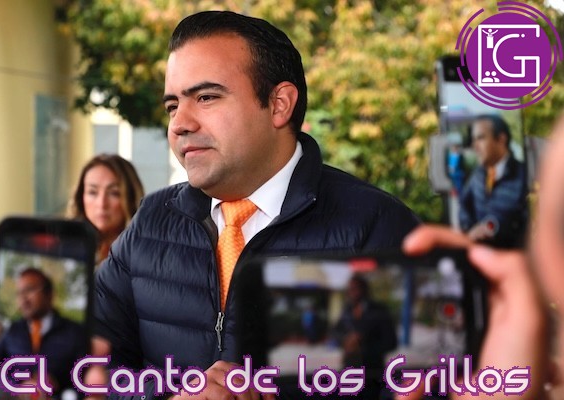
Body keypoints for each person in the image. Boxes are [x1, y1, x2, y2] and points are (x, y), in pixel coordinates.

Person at [92, 10, 419, 399]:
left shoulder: (378, 228)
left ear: (279, 104)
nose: (180, 123)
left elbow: (430, 385)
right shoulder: (152, 221)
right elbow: (87, 365)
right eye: (172, 106)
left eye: (206, 97)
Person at [0, 268, 86, 397]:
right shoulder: (11, 331)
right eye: (19, 293)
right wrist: (16, 386)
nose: (23, 299)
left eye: (29, 290)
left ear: (49, 294)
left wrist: (57, 383)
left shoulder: (75, 333)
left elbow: (87, 378)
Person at [458, 114, 528, 248]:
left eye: (481, 138)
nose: (474, 146)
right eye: (473, 140)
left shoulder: (523, 175)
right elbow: (464, 206)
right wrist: (469, 230)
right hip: (479, 254)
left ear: (501, 139)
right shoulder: (477, 175)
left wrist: (493, 228)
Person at [67, 154, 144, 264]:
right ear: (81, 198)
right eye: (92, 192)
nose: (102, 204)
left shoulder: (148, 254)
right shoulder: (63, 250)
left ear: (131, 198)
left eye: (114, 193)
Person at [332, 274, 397, 398]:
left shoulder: (379, 311)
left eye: (355, 288)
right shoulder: (347, 310)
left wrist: (363, 345)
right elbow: (335, 332)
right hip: (349, 370)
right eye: (350, 289)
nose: (352, 292)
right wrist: (345, 340)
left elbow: (391, 342)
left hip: (371, 372)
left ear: (365, 289)